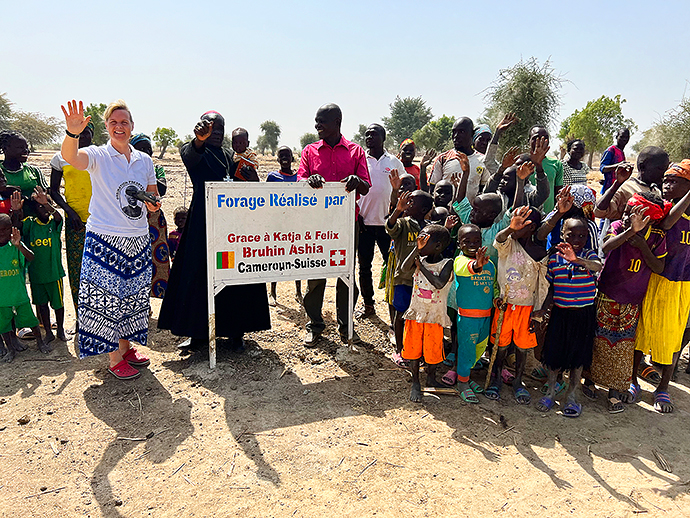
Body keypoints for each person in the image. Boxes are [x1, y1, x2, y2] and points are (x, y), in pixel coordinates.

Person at [60, 99, 160, 380]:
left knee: (130, 297)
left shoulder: (144, 160)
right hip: (106, 239)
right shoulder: (98, 156)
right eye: (114, 122)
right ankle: (114, 358)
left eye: (124, 122)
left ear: (132, 126)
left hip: (137, 239)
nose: (119, 127)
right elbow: (71, 157)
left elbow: (151, 192)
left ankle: (126, 348)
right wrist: (72, 133)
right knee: (107, 300)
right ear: (106, 126)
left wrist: (153, 203)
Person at [158, 111, 269, 352]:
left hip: (230, 225)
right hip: (202, 224)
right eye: (212, 129)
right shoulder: (193, 150)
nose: (216, 133)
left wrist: (251, 178)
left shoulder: (230, 155)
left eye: (220, 129)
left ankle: (235, 332)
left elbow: (241, 183)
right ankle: (197, 334)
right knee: (199, 278)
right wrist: (199, 139)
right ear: (202, 129)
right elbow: (192, 155)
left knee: (233, 275)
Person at [587, 193, 668, 413]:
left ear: (648, 219)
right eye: (626, 213)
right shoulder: (617, 227)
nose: (626, 217)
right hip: (607, 293)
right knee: (598, 339)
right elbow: (605, 247)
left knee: (622, 347)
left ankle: (615, 390)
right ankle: (590, 381)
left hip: (632, 300)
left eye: (633, 215)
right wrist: (630, 231)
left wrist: (642, 245)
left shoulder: (657, 236)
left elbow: (658, 267)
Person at [298, 103, 371, 345]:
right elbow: (300, 181)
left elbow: (366, 185)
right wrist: (310, 180)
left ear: (337, 122)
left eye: (322, 121)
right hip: (315, 224)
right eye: (316, 121)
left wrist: (356, 180)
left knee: (345, 275)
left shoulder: (355, 151)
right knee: (315, 274)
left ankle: (345, 324)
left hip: (346, 224)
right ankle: (315, 324)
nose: (317, 125)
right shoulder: (309, 151)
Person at [633, 160, 690, 413]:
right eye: (665, 180)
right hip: (655, 278)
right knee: (642, 330)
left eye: (674, 181)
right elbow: (667, 224)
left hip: (682, 283)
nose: (666, 185)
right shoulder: (662, 207)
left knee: (672, 337)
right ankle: (633, 379)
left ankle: (663, 387)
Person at [534, 216, 602, 417]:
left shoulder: (589, 256)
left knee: (578, 358)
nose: (576, 239)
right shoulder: (554, 259)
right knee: (554, 355)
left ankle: (572, 396)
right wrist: (543, 309)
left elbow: (597, 267)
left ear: (587, 237)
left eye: (581, 235)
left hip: (583, 315)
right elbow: (552, 288)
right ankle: (551, 390)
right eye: (571, 235)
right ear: (562, 235)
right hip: (560, 313)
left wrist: (577, 260)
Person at [486, 206, 548, 404]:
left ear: (532, 227)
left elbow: (542, 285)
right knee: (500, 345)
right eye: (514, 221)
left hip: (526, 308)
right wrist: (511, 228)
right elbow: (499, 240)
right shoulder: (508, 243)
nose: (515, 225)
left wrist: (540, 312)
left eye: (521, 223)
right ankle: (496, 377)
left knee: (522, 348)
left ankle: (518, 381)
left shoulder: (539, 252)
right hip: (505, 305)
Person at [399, 224, 454, 402]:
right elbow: (402, 268)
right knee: (413, 351)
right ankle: (415, 382)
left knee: (432, 351)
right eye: (419, 239)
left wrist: (421, 268)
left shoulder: (447, 263)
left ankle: (431, 378)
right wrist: (417, 249)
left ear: (438, 246)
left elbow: (438, 284)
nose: (419, 242)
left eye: (424, 240)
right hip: (417, 314)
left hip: (434, 317)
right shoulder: (419, 259)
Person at [353, 124, 402, 318]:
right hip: (363, 223)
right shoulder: (360, 159)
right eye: (367, 135)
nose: (369, 137)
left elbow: (401, 188)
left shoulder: (394, 162)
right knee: (364, 267)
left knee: (391, 266)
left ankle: (394, 306)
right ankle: (368, 305)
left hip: (387, 226)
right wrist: (357, 218)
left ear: (383, 137)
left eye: (374, 134)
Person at [386, 190, 434, 366]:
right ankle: (399, 350)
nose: (408, 204)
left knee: (418, 317)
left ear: (424, 210)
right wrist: (397, 210)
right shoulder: (403, 224)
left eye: (413, 203)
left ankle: (416, 348)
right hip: (404, 278)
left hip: (423, 281)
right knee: (401, 314)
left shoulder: (430, 227)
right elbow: (390, 228)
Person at [50, 122, 94, 312]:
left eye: (86, 133)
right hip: (75, 220)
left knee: (100, 268)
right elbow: (53, 191)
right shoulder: (61, 157)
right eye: (78, 133)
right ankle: (80, 313)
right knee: (77, 268)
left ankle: (99, 313)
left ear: (93, 134)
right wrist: (69, 211)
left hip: (101, 220)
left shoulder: (101, 155)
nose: (82, 137)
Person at [17, 187, 67, 343]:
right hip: (37, 275)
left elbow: (59, 217)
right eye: (39, 207)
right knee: (41, 304)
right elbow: (17, 225)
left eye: (46, 206)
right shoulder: (30, 225)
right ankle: (48, 332)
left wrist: (47, 204)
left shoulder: (53, 224)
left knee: (58, 304)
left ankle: (60, 329)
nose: (44, 210)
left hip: (54, 274)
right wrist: (16, 210)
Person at [0, 214, 47, 362]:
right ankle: (11, 350)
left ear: (12, 230)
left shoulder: (14, 245)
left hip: (19, 295)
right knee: (5, 326)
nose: (3, 232)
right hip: (2, 299)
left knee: (31, 321)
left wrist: (19, 245)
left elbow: (31, 257)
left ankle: (40, 342)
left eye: (7, 229)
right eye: (0, 229)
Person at [130, 133, 171, 299]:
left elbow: (161, 189)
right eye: (141, 148)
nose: (146, 152)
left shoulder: (156, 168)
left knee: (157, 260)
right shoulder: (126, 167)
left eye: (149, 149)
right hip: (132, 218)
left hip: (154, 220)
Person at [266, 146, 302, 306]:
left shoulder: (300, 176)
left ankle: (299, 292)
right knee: (277, 256)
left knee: (297, 256)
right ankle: (272, 292)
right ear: (278, 159)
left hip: (296, 222)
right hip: (278, 223)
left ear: (292, 158)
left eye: (288, 155)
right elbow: (265, 199)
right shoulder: (272, 177)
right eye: (282, 155)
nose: (285, 158)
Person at [428, 117, 489, 202]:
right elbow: (432, 189)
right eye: (454, 132)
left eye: (462, 132)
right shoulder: (443, 158)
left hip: (469, 213)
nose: (456, 136)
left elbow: (484, 190)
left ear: (472, 134)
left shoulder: (482, 160)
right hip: (445, 213)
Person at [0, 130, 49, 218]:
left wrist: (31, 198)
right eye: (20, 147)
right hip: (5, 226)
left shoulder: (34, 171)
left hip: (34, 223)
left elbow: (48, 196)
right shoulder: (0, 171)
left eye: (26, 147)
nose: (26, 151)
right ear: (5, 148)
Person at [527, 127, 563, 214]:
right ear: (529, 141)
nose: (540, 142)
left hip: (548, 217)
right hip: (524, 216)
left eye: (545, 138)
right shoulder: (521, 162)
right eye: (536, 138)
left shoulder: (556, 164)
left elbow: (558, 192)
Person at [599, 128, 630, 193]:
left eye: (626, 137)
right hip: (608, 190)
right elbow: (602, 168)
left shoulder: (621, 153)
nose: (624, 139)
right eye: (622, 137)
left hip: (617, 190)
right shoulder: (611, 150)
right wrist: (618, 165)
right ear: (616, 137)